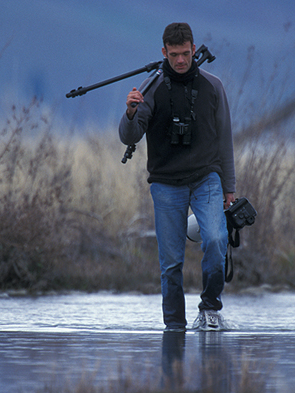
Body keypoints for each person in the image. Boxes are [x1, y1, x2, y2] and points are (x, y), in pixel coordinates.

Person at [119, 22, 236, 332]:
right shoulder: (150, 88)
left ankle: (210, 308)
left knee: (216, 239)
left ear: (194, 49)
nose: (181, 61)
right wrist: (130, 113)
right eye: (174, 55)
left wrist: (230, 189)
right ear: (164, 53)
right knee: (171, 264)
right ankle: (174, 328)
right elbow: (128, 136)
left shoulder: (213, 86)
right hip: (165, 184)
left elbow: (225, 140)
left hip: (206, 178)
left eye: (186, 54)